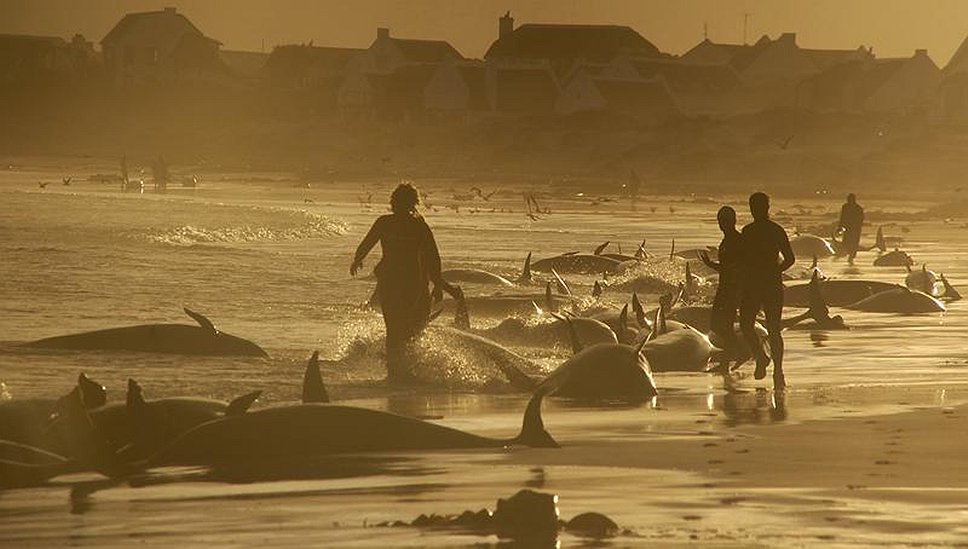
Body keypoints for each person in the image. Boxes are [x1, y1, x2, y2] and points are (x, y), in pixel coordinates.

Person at [350, 183, 448, 382]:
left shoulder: (391, 223)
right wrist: (437, 283)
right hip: (410, 283)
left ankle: (396, 372)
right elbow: (433, 256)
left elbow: (367, 243)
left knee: (396, 328)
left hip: (395, 283)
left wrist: (358, 259)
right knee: (409, 328)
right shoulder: (417, 225)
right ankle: (403, 371)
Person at [739, 192, 795, 389]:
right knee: (746, 324)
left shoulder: (775, 231)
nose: (755, 210)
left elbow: (790, 258)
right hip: (755, 284)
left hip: (769, 284)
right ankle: (761, 357)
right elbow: (742, 260)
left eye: (759, 207)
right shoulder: (748, 231)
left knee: (773, 329)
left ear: (766, 208)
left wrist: (775, 270)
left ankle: (778, 370)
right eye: (753, 207)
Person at [699, 206, 744, 366]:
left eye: (724, 221)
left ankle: (738, 353)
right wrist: (711, 264)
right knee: (719, 325)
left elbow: (737, 266)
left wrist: (714, 265)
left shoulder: (736, 240)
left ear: (732, 221)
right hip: (724, 288)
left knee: (722, 325)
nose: (721, 224)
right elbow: (727, 266)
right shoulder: (726, 241)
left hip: (731, 289)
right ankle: (730, 356)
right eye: (720, 221)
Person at [838, 193, 864, 265]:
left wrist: (840, 226)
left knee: (853, 243)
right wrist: (840, 226)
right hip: (849, 228)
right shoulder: (846, 207)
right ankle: (850, 255)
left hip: (854, 229)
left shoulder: (857, 208)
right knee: (846, 242)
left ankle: (851, 256)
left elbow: (861, 219)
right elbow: (842, 217)